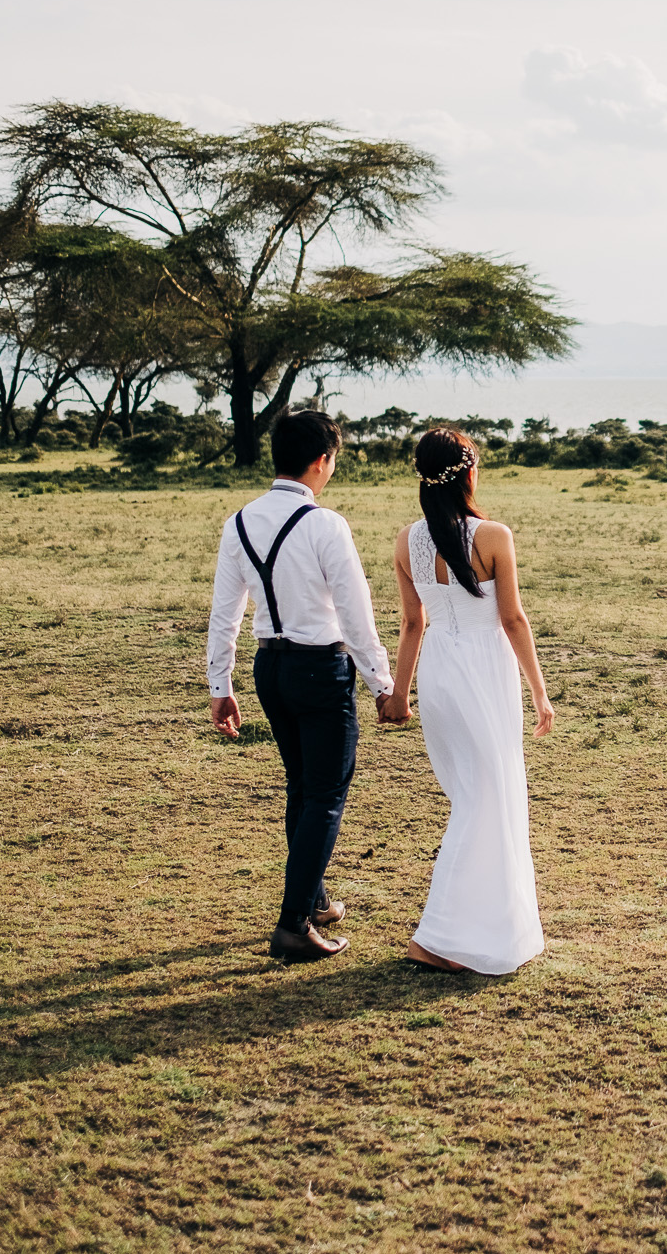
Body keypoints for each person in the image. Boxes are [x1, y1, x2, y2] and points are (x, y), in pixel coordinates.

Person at [207, 410, 395, 962]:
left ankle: (312, 899)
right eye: (333, 460)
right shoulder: (325, 524)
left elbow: (225, 613)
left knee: (301, 787)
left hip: (271, 670)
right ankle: (293, 925)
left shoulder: (239, 521)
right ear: (322, 461)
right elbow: (356, 615)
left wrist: (222, 683)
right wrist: (382, 683)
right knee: (324, 795)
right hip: (321, 671)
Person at [381, 428, 555, 975]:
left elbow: (413, 624)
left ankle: (474, 930)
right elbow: (512, 620)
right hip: (484, 671)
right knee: (488, 800)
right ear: (470, 474)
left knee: (475, 798)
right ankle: (438, 938)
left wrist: (400, 695)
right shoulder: (494, 536)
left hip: (439, 672)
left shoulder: (406, 541)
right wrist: (539, 691)